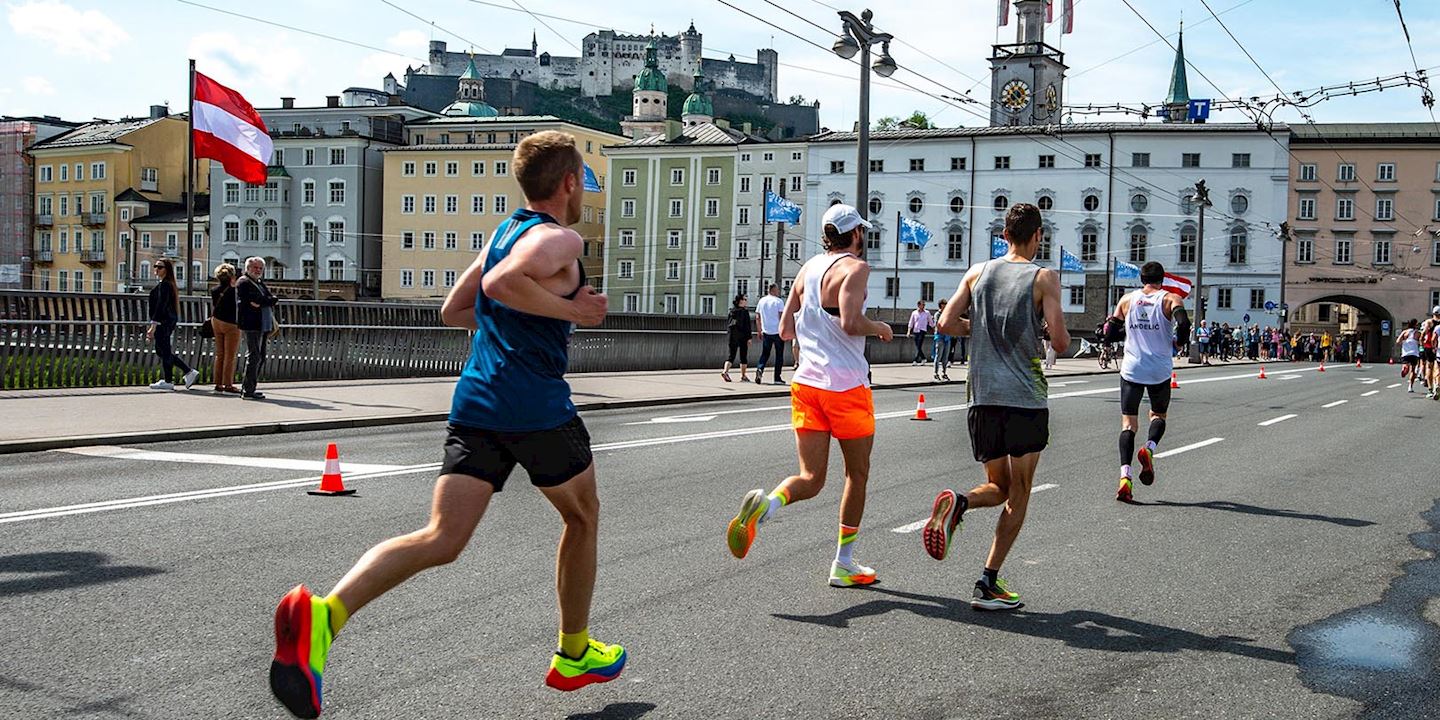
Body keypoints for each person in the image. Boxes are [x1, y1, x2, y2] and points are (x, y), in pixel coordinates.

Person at [267, 131, 621, 719]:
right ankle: (574, 652)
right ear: (565, 182)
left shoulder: (503, 233)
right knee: (582, 516)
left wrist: (506, 336)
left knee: (441, 538)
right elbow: (498, 287)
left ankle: (324, 618)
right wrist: (573, 310)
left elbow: (456, 309)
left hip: (477, 401)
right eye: (580, 178)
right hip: (535, 406)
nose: (581, 189)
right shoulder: (559, 238)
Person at [725, 203, 893, 587]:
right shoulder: (856, 268)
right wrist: (879, 326)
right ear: (854, 235)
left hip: (806, 385)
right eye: (862, 233)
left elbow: (785, 330)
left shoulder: (808, 268)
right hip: (847, 386)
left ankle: (766, 506)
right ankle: (844, 563)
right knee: (858, 473)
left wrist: (815, 330)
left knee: (812, 477)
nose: (863, 239)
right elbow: (851, 322)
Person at [921, 203, 1070, 611]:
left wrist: (979, 326)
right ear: (1038, 235)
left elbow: (946, 324)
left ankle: (961, 501)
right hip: (1024, 397)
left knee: (997, 484)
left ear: (1004, 235)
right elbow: (1060, 343)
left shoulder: (977, 271)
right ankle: (987, 582)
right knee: (1018, 492)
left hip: (982, 397)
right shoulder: (1043, 277)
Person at [1101, 262, 1188, 502]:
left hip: (1132, 369)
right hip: (1159, 368)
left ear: (1141, 278)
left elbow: (1109, 335)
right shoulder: (1171, 299)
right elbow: (1184, 324)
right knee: (1158, 416)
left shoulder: (1127, 300)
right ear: (1163, 279)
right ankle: (1148, 449)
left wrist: (1129, 331)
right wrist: (1178, 345)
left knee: (1128, 425)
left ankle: (1125, 479)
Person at [146, 257, 199, 391]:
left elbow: (160, 306)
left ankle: (175, 377)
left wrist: (153, 325)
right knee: (162, 350)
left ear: (167, 270)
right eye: (155, 266)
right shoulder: (166, 284)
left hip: (163, 322)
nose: (156, 269)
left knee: (164, 350)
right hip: (166, 321)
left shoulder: (165, 285)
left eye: (160, 267)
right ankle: (184, 373)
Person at [236, 257, 279, 400]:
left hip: (263, 324)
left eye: (260, 268)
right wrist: (265, 301)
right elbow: (257, 300)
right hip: (252, 324)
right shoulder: (244, 282)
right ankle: (247, 390)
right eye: (255, 268)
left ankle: (251, 388)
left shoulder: (259, 282)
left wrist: (264, 301)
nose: (258, 270)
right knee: (254, 356)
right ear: (248, 268)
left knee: (260, 357)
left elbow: (268, 299)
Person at [210, 263, 242, 394]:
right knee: (230, 355)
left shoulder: (214, 290)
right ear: (232, 276)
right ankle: (228, 384)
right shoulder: (234, 291)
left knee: (220, 354)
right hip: (231, 324)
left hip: (216, 321)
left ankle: (218, 383)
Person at [753, 283, 787, 385]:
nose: (778, 291)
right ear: (773, 290)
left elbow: (757, 317)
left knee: (765, 353)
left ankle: (760, 368)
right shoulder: (779, 301)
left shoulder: (762, 301)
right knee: (779, 355)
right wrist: (784, 330)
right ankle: (777, 378)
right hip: (777, 332)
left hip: (766, 331)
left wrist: (759, 331)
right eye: (777, 289)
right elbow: (782, 317)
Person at [722, 294, 753, 383]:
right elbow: (747, 326)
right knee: (743, 356)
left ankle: (725, 371)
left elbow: (729, 324)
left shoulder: (732, 311)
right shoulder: (744, 312)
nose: (746, 301)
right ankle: (743, 376)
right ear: (740, 301)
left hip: (732, 335)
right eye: (745, 299)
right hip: (743, 336)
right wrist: (749, 338)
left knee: (731, 356)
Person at [1397, 319, 1423, 392]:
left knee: (1406, 365)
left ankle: (1404, 369)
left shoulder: (1404, 332)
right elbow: (1421, 342)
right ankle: (1410, 387)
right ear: (1415, 325)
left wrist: (1404, 343)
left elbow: (1398, 341)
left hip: (1405, 353)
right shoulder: (1418, 333)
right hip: (1414, 353)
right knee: (1413, 370)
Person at [1421, 307, 1440, 398]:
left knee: (1429, 367)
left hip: (1429, 346)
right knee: (1437, 367)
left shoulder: (1429, 322)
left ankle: (1430, 389)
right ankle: (1437, 385)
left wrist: (1421, 344)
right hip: (1438, 347)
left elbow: (1423, 333)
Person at [933, 297, 952, 381]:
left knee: (946, 356)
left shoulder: (948, 314)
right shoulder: (938, 314)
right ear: (940, 306)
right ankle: (936, 373)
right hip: (940, 337)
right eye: (944, 305)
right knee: (938, 355)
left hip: (947, 337)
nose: (945, 307)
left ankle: (944, 373)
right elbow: (938, 324)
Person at [907, 299, 932, 364]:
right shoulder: (914, 313)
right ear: (918, 305)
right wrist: (909, 331)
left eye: (924, 305)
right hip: (916, 330)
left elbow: (930, 322)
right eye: (922, 305)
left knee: (919, 345)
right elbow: (911, 322)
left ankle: (915, 360)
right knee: (918, 345)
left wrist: (934, 328)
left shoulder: (927, 313)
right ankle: (923, 358)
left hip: (922, 330)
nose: (923, 306)